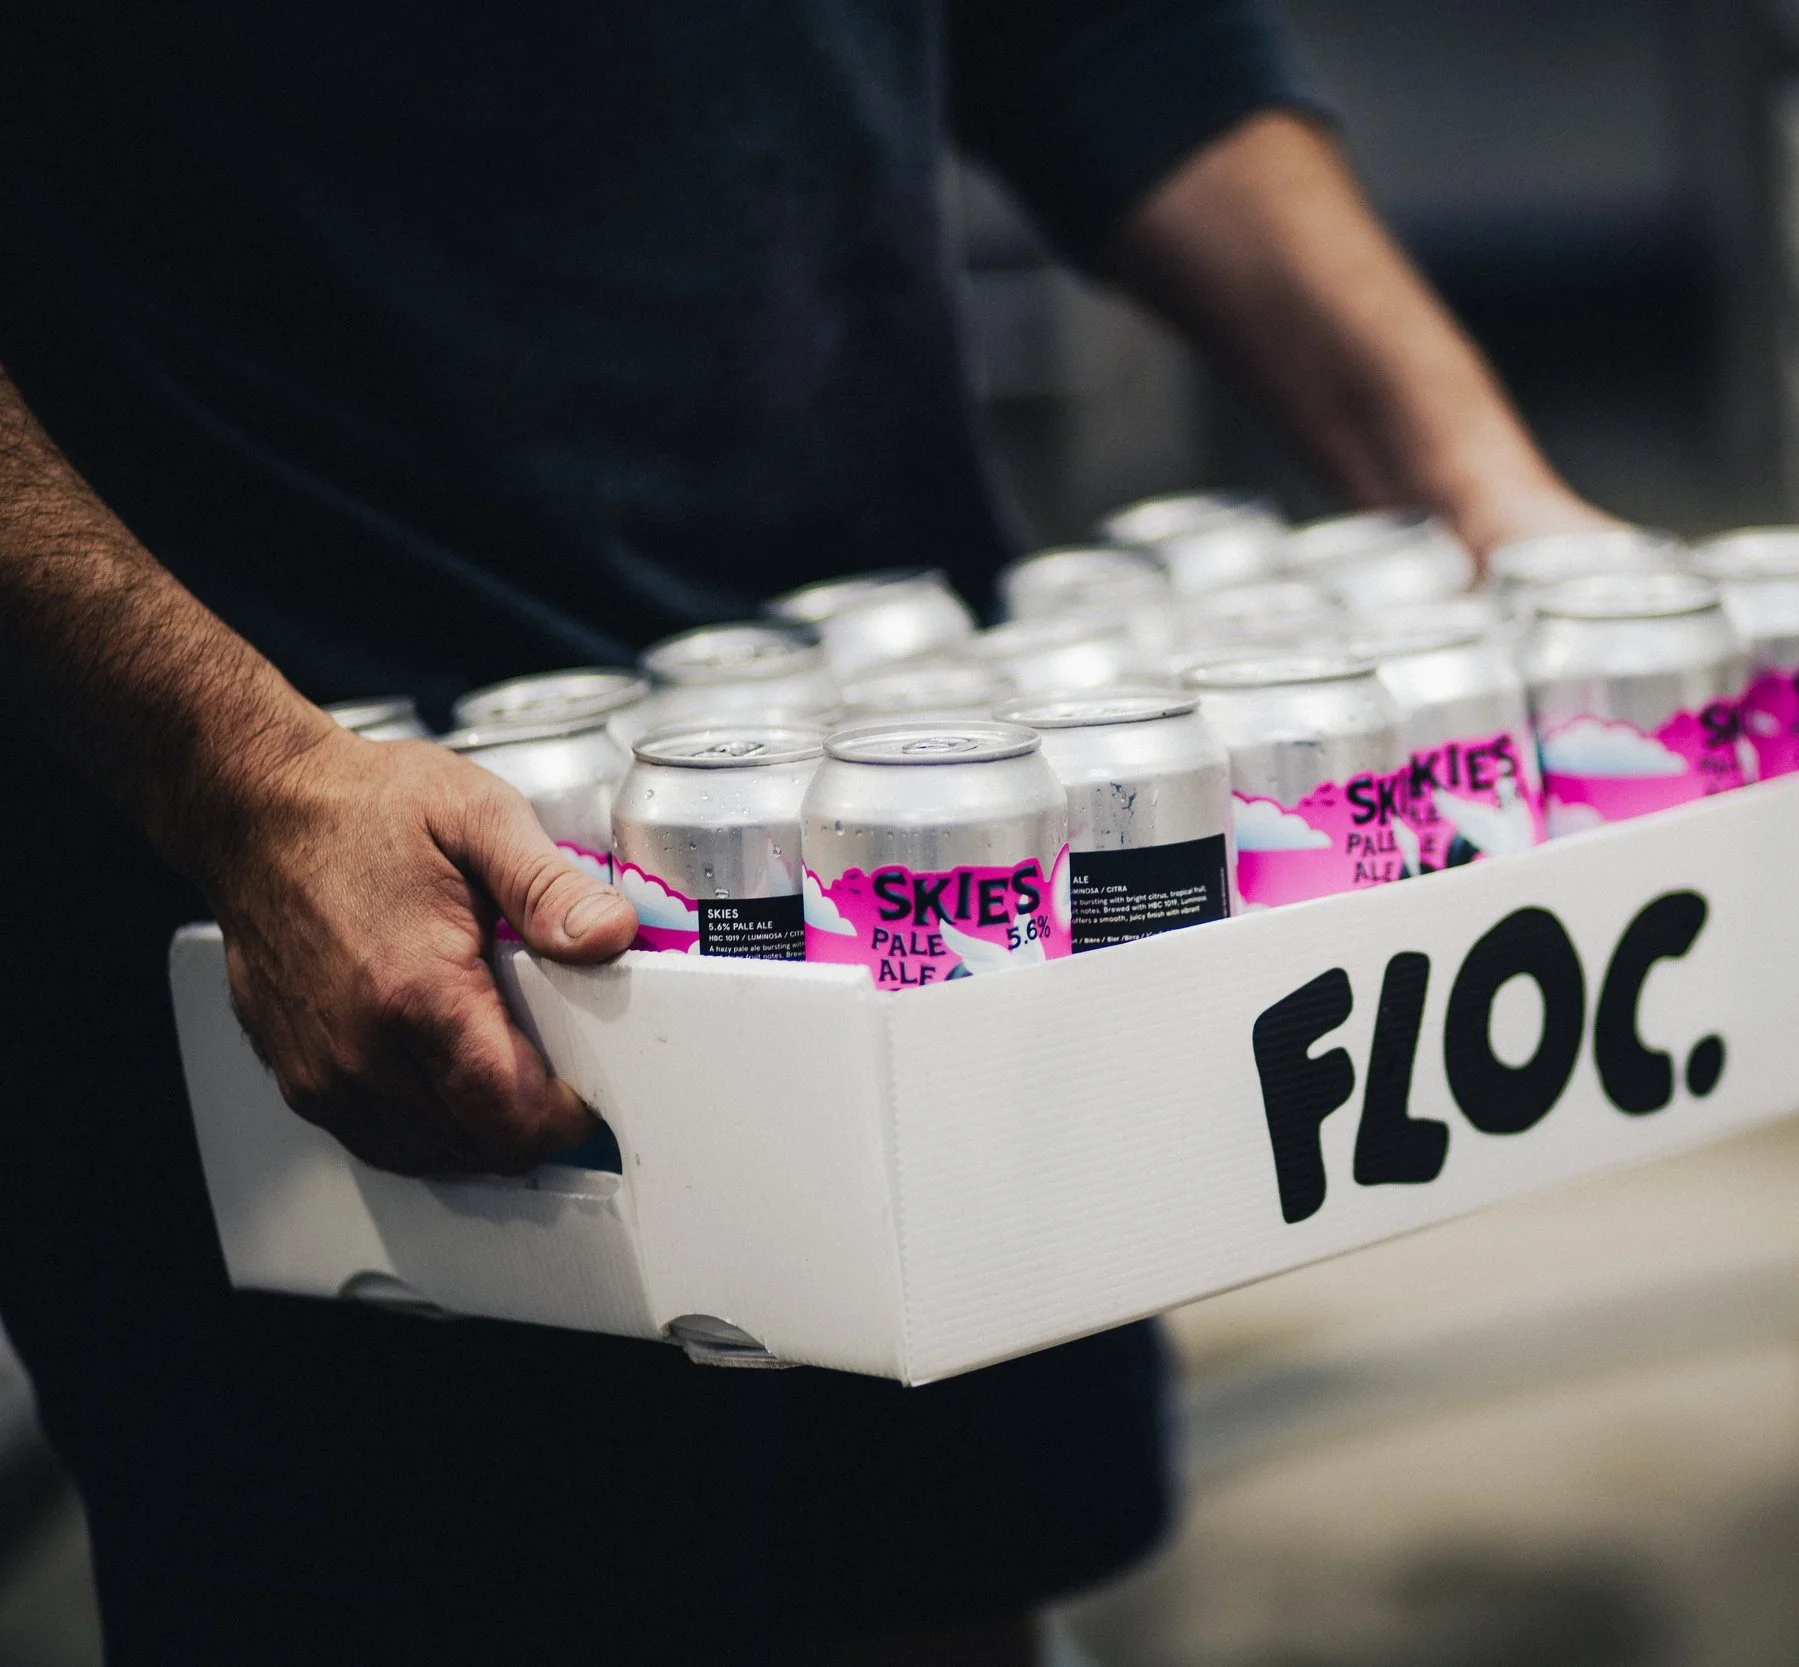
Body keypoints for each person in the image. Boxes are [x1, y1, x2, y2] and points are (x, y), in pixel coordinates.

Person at [0, 2, 1610, 1660]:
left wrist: (1476, 479)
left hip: (909, 789)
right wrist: (238, 772)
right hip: (296, 872)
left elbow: (1116, 41)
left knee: (933, 1580)